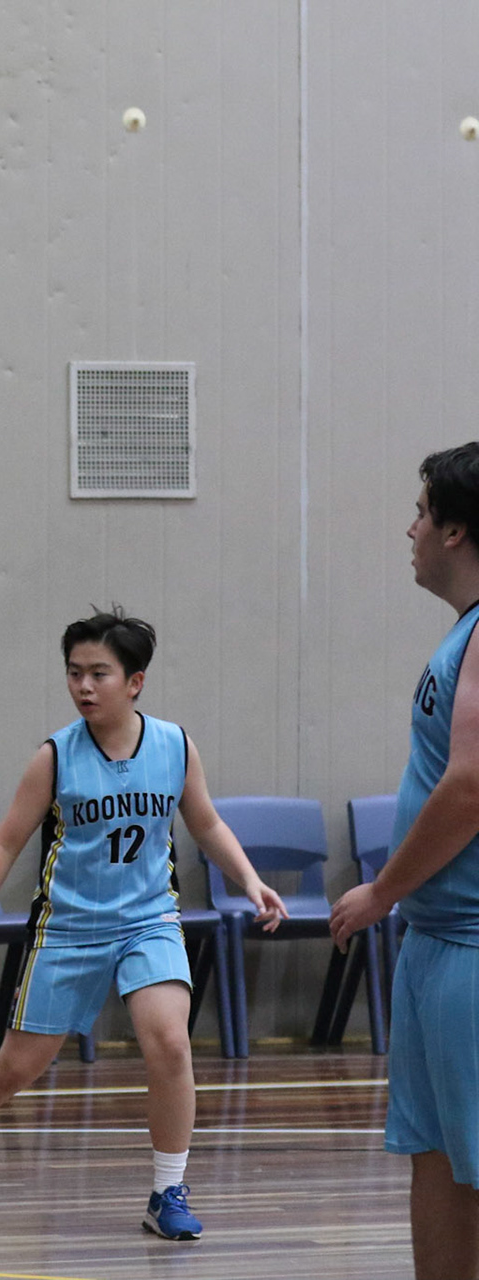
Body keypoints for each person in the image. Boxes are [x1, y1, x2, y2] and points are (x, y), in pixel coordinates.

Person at [0, 608, 287, 1241]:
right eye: (74, 673)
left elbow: (206, 822)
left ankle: (167, 1191)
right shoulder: (54, 757)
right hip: (68, 928)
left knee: (171, 1043)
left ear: (135, 682)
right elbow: (5, 841)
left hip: (149, 920)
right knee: (18, 1066)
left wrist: (250, 879)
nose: (83, 686)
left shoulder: (175, 746)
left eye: (99, 673)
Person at [331, 444, 479, 1280]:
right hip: (435, 941)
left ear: (456, 530)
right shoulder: (462, 634)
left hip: (470, 948)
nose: (411, 529)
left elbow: (470, 789)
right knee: (435, 1155)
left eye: (422, 513)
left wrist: (382, 891)